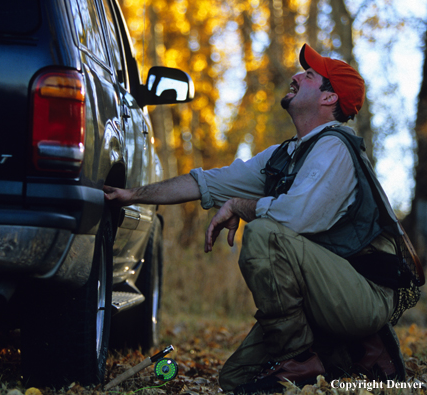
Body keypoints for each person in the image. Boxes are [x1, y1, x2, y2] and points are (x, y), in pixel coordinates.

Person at [104, 43, 407, 394]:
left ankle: (306, 358)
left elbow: (295, 216)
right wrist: (131, 195)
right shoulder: (286, 154)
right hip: (323, 292)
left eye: (308, 76)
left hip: (364, 295)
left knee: (264, 234)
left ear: (328, 98)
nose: (295, 76)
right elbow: (207, 182)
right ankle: (350, 353)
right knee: (237, 380)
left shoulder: (336, 147)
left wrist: (239, 206)